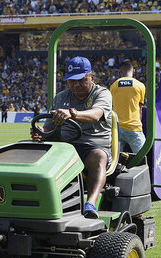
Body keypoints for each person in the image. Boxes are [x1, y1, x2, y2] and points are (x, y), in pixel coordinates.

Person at [31, 56, 112, 219]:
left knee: (99, 157)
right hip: (64, 146)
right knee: (25, 149)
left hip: (91, 146)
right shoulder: (61, 97)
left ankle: (90, 204)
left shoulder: (101, 93)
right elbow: (49, 126)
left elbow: (96, 115)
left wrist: (73, 114)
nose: (76, 85)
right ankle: (30, 202)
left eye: (82, 80)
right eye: (72, 81)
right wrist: (41, 132)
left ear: (92, 77)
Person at [110, 59, 146, 154]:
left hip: (117, 129)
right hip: (134, 128)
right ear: (133, 71)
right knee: (142, 158)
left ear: (121, 71)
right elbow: (140, 110)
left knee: (115, 160)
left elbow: (112, 107)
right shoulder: (140, 86)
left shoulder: (113, 86)